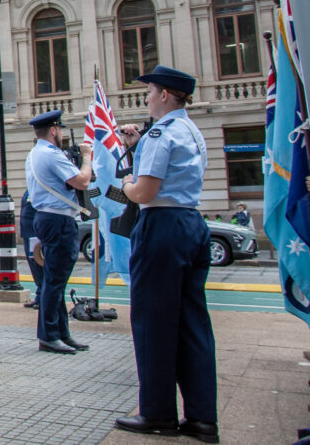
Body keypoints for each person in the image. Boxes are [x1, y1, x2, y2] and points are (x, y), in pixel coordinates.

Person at [114, 65, 217, 443]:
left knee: (154, 323)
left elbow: (144, 192)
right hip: (191, 223)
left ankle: (158, 413)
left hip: (162, 227)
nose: (146, 97)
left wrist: (126, 183)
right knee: (193, 323)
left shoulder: (160, 133)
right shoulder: (190, 129)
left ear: (165, 95)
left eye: (150, 91)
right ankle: (203, 418)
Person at [24, 109, 92, 355]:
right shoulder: (52, 155)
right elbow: (82, 181)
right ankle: (49, 335)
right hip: (57, 220)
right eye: (60, 129)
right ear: (53, 130)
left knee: (56, 281)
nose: (61, 133)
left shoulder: (35, 153)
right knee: (54, 282)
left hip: (47, 218)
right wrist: (87, 157)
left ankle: (61, 332)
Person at [19, 190, 43, 309]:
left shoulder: (39, 187)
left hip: (36, 234)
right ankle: (39, 296)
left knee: (41, 266)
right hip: (27, 233)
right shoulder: (29, 190)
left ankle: (43, 297)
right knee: (34, 267)